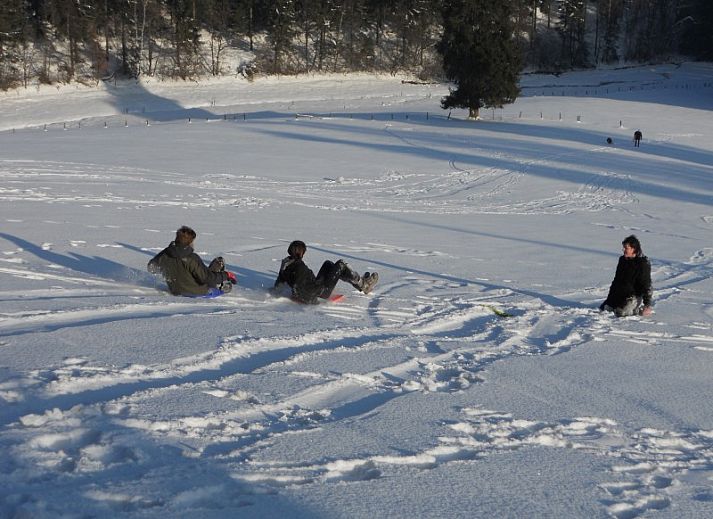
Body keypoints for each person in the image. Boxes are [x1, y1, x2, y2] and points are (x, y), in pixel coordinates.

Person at [273, 240, 378, 304]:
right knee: (341, 264)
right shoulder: (299, 266)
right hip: (318, 293)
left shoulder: (286, 264)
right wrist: (312, 300)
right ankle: (364, 285)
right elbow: (302, 288)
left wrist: (275, 292)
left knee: (328, 264)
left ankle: (357, 283)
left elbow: (280, 281)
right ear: (301, 252)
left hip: (311, 288)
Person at [148, 225, 236, 297]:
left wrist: (168, 272)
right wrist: (226, 275)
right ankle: (222, 288)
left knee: (209, 269)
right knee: (218, 265)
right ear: (190, 242)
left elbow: (151, 267)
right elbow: (206, 278)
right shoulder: (191, 258)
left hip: (175, 291)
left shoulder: (165, 254)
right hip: (199, 293)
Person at [599, 235, 653, 317]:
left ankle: (636, 309)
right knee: (605, 309)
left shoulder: (642, 264)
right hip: (619, 294)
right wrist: (609, 298)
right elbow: (616, 280)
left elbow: (646, 284)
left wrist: (647, 305)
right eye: (623, 248)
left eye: (626, 248)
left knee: (621, 313)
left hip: (632, 296)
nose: (623, 250)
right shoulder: (622, 260)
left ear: (633, 249)